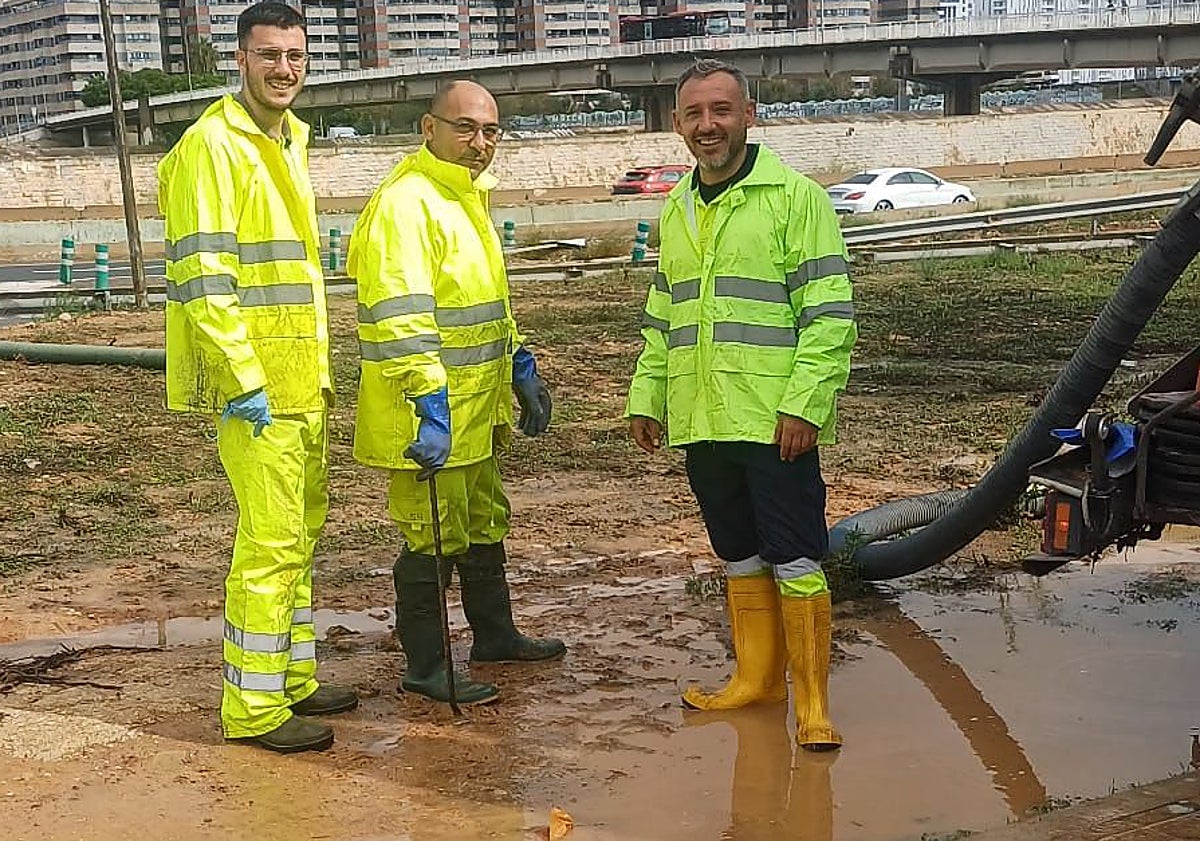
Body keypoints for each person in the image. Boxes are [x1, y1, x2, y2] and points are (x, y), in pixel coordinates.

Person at [625, 59, 857, 751]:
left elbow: (829, 315)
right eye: (695, 113)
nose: (708, 125)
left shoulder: (795, 199)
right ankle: (756, 680)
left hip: (773, 421)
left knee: (796, 558)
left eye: (721, 110)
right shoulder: (677, 207)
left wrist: (805, 404)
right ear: (677, 123)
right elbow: (664, 317)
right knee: (738, 555)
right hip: (703, 419)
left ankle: (812, 703)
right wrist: (648, 395)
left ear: (749, 116)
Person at [159, 1, 357, 754]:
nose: (284, 69)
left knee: (299, 537)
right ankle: (252, 707)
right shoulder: (214, 145)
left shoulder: (286, 139)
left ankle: (291, 677)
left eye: (295, 56)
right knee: (270, 545)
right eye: (269, 54)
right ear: (239, 59)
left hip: (300, 381)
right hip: (259, 391)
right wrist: (242, 380)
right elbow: (204, 279)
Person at [347, 80, 566, 706]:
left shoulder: (466, 197)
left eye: (490, 131)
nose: (479, 142)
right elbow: (402, 318)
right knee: (430, 535)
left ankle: (494, 636)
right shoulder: (405, 205)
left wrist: (518, 363)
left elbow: (482, 304)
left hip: (476, 409)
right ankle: (426, 665)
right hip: (428, 417)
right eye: (465, 127)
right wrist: (430, 405)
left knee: (482, 521)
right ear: (429, 128)